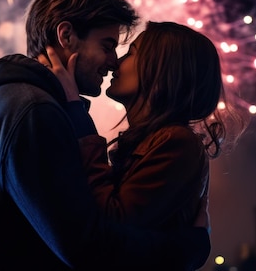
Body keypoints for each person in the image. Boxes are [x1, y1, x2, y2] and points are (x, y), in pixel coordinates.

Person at [0, 0, 211, 271]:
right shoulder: (35, 111)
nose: (114, 62)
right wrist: (189, 248)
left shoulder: (8, 99)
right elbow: (89, 247)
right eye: (108, 45)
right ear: (67, 36)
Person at [45, 21, 243, 242]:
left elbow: (111, 222)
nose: (115, 63)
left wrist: (76, 109)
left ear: (162, 70)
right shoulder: (153, 141)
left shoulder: (177, 142)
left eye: (131, 53)